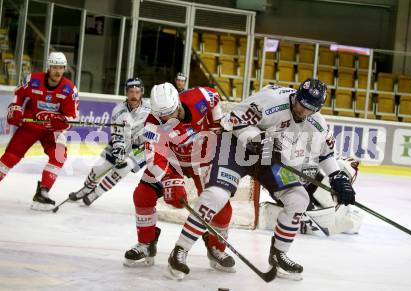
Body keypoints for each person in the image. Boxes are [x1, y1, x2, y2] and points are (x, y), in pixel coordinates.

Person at [167, 79, 356, 280]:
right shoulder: (271, 100)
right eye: (301, 104)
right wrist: (256, 139)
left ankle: (279, 254)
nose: (302, 111)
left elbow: (325, 154)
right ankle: (180, 250)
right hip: (235, 147)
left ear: (317, 108)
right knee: (216, 195)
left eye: (309, 109)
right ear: (297, 96)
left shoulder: (317, 122)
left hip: (269, 157)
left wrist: (338, 178)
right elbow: (232, 120)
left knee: (299, 198)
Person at [124, 83, 236, 273]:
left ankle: (216, 246)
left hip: (204, 159)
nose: (166, 118)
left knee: (222, 207)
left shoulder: (199, 96)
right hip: (172, 162)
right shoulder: (152, 121)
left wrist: (216, 122)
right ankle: (146, 243)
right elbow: (154, 157)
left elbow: (214, 96)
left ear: (178, 102)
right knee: (143, 194)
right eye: (162, 115)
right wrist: (169, 180)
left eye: (170, 112)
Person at [0, 52, 78, 210]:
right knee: (11, 156)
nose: (57, 71)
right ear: (48, 67)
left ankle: (43, 192)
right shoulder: (32, 80)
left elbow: (73, 117)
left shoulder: (69, 89)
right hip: (31, 126)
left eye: (61, 68)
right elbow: (18, 94)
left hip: (51, 130)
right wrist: (14, 109)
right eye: (54, 67)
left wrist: (62, 123)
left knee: (59, 155)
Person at [68, 78, 150, 205]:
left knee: (123, 168)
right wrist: (119, 152)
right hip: (123, 141)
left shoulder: (150, 109)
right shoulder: (118, 110)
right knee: (100, 167)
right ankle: (86, 188)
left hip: (143, 146)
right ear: (126, 93)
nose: (134, 95)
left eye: (137, 92)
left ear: (142, 92)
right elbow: (117, 134)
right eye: (131, 92)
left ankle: (97, 193)